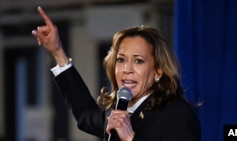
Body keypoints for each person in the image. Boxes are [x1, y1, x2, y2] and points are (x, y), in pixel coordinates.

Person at [32, 6, 201, 141]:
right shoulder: (117, 112)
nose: (127, 69)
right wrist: (57, 53)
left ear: (158, 71)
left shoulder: (177, 115)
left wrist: (130, 138)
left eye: (138, 60)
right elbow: (85, 114)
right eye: (121, 60)